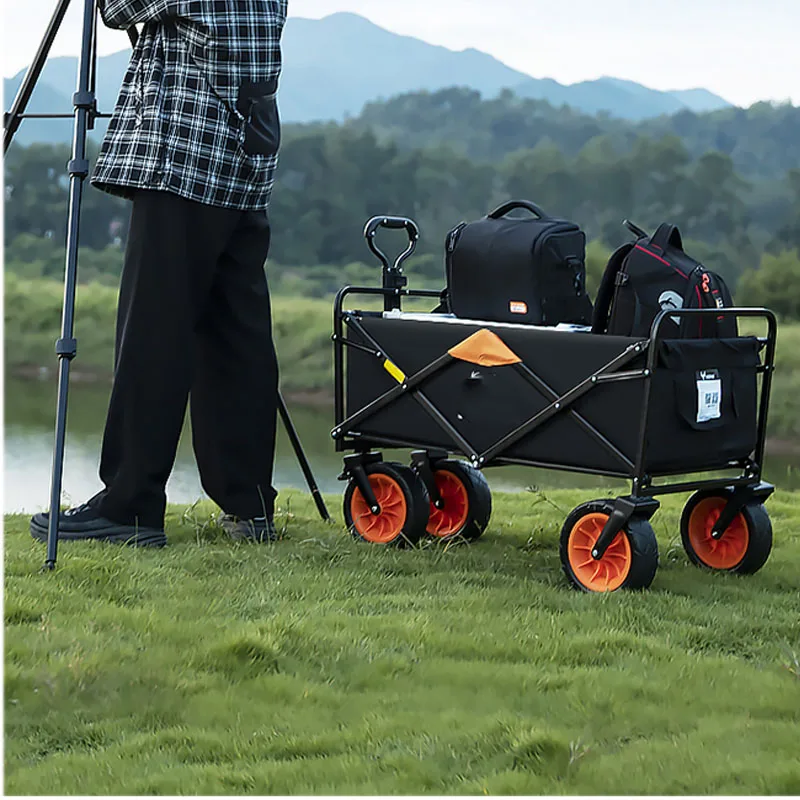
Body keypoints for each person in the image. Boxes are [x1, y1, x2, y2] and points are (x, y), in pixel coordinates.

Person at [30, 0, 289, 547]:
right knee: (234, 333)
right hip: (244, 157)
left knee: (155, 332)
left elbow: (119, 7)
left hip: (186, 156)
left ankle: (130, 504)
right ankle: (249, 503)